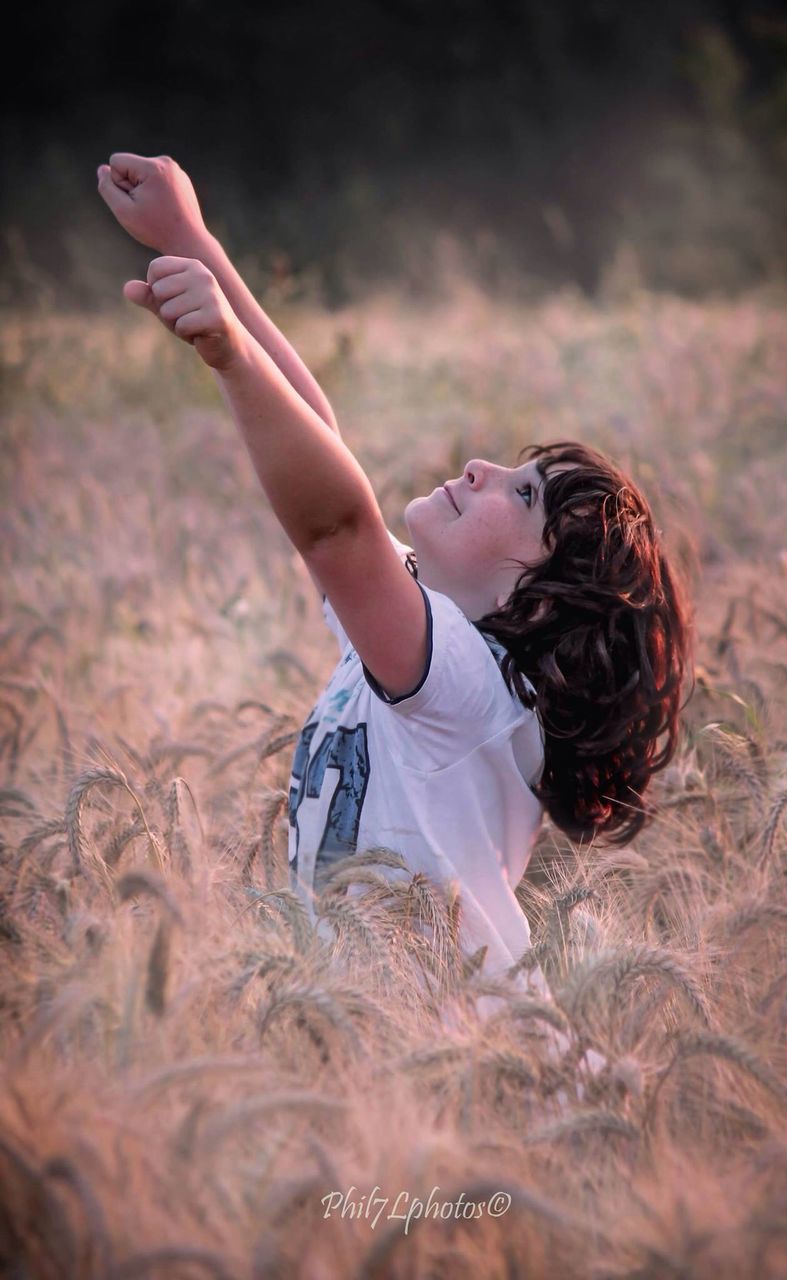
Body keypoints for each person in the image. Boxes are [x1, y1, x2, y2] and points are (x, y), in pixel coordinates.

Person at [96, 154, 695, 1009]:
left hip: (465, 1060)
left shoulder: (464, 683)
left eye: (523, 495)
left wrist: (229, 351)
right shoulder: (428, 634)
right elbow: (323, 443)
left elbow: (334, 524)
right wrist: (194, 242)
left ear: (535, 598)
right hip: (384, 1039)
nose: (484, 466)